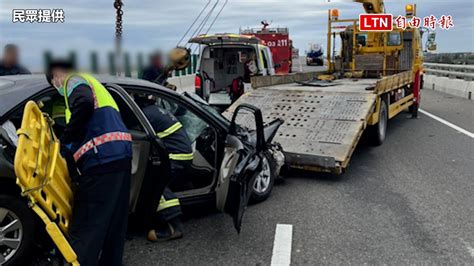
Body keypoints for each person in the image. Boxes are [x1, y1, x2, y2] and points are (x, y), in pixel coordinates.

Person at [46, 60, 132, 266]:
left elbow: (83, 102)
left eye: (53, 83)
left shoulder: (72, 80)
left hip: (101, 159)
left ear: (56, 74)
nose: (57, 87)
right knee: (114, 224)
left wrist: (66, 139)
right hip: (120, 156)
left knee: (87, 224)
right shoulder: (96, 85)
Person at [134, 94, 193, 242]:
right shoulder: (156, 110)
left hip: (176, 157)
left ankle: (174, 226)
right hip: (181, 154)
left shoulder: (146, 115)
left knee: (153, 181)